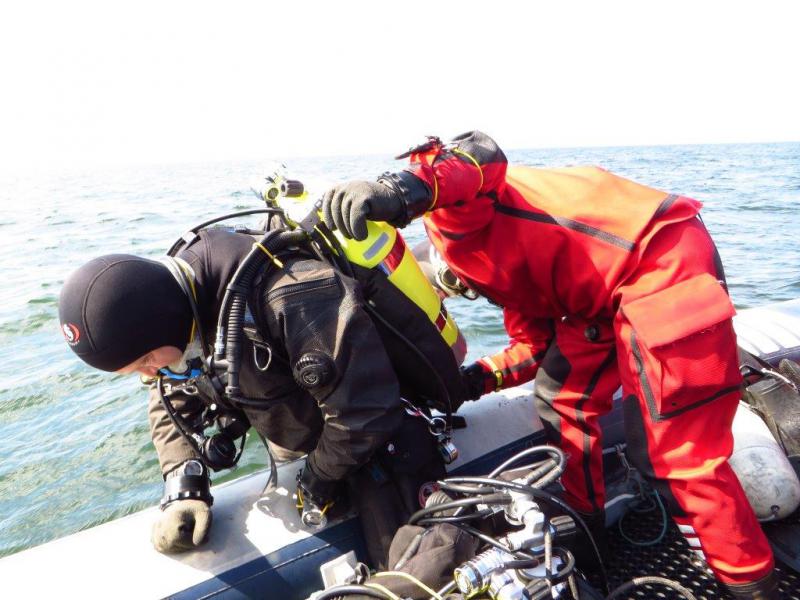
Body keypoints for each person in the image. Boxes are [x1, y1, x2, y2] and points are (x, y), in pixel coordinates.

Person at [320, 131, 779, 598]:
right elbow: (535, 348)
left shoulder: (458, 220)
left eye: (450, 284)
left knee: (677, 455)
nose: (458, 291)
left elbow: (479, 155)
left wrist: (400, 189)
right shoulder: (500, 274)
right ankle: (587, 530)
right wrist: (473, 380)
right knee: (562, 399)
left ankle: (750, 585)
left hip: (660, 261)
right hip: (598, 300)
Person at [58, 221, 465, 568]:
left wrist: (319, 478)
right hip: (299, 415)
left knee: (409, 566)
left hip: (384, 425)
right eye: (135, 370)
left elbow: (365, 411)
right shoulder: (179, 323)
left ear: (166, 322)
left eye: (146, 359)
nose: (149, 372)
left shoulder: (293, 294)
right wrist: (184, 481)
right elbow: (170, 393)